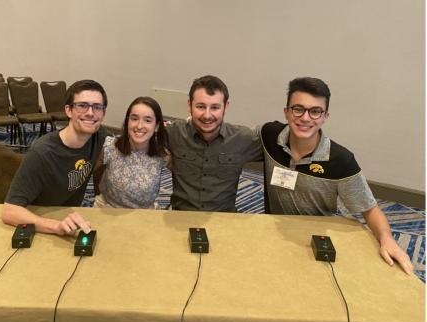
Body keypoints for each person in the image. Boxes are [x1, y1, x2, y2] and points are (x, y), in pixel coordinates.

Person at [260, 76, 413, 274]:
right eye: (298, 109)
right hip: (273, 231)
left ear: (325, 117)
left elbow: (369, 208)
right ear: (286, 112)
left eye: (315, 112)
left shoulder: (341, 160)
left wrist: (387, 239)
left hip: (316, 239)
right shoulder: (269, 136)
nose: (305, 118)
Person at [1, 79, 109, 235]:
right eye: (82, 105)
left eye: (97, 107)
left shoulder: (99, 135)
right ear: (68, 110)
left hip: (69, 218)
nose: (90, 113)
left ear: (103, 114)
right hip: (38, 222)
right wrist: (55, 226)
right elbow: (9, 211)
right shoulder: (42, 153)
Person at [166, 75, 262, 212]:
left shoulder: (242, 138)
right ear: (189, 105)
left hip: (224, 218)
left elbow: (279, 143)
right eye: (200, 106)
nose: (207, 115)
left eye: (215, 107)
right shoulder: (174, 133)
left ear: (226, 107)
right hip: (180, 215)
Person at [94, 96, 168, 208]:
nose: (139, 126)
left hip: (144, 213)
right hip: (108, 207)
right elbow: (85, 174)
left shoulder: (163, 155)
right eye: (134, 118)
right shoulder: (110, 147)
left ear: (156, 126)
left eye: (147, 120)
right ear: (127, 121)